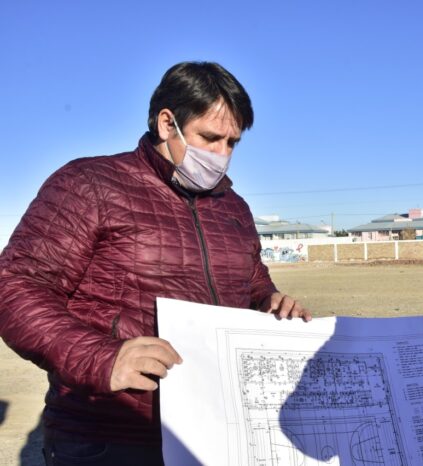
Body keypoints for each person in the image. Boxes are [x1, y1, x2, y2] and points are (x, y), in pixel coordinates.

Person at [0, 62, 310, 465]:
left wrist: (272, 304)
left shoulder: (233, 208)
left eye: (232, 142)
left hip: (213, 428)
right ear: (167, 123)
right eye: (210, 137)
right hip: (110, 432)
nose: (222, 155)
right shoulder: (89, 183)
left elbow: (254, 288)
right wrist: (101, 357)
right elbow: (16, 285)